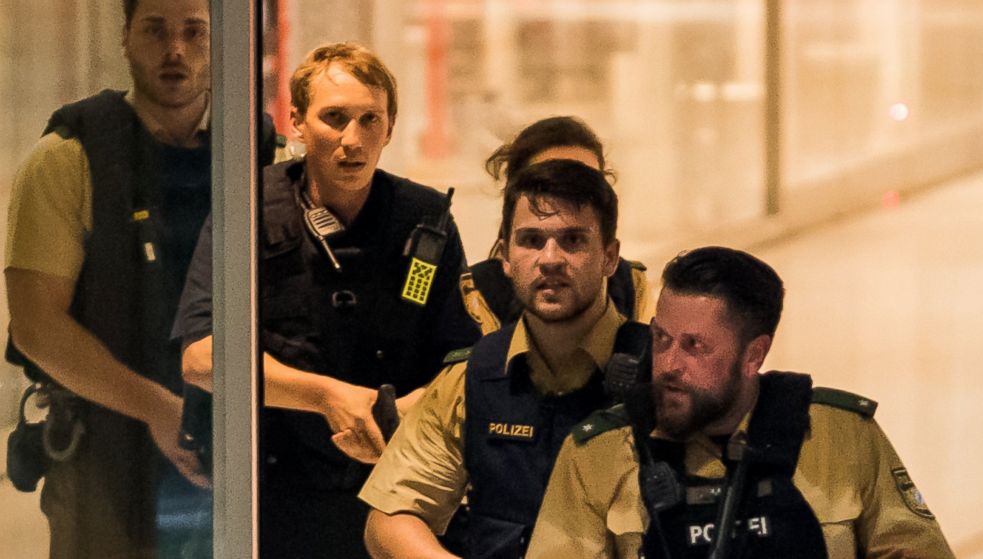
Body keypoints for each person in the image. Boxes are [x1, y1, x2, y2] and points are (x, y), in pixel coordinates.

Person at [175, 42, 480, 559]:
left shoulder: (425, 222)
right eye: (333, 118)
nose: (351, 140)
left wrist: (399, 415)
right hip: (271, 499)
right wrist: (327, 397)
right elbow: (200, 359)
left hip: (397, 493)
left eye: (369, 119)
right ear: (295, 120)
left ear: (390, 126)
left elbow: (469, 363)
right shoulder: (246, 207)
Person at [525, 246, 955, 559]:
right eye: (661, 338)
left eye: (695, 346)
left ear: (754, 355)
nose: (669, 364)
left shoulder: (841, 439)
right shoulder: (598, 456)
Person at [3, 0, 242, 557]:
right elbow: (35, 326)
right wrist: (159, 408)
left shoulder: (258, 153)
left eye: (194, 32)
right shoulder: (67, 159)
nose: (175, 49)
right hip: (104, 456)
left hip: (238, 460)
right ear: (125, 40)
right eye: (155, 31)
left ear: (220, 41)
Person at [360, 159, 648, 559]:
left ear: (610, 257)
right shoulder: (472, 377)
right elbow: (391, 517)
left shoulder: (661, 374)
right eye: (531, 240)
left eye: (573, 240)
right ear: (506, 257)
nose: (550, 259)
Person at [460, 116, 651, 335]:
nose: (563, 195)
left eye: (585, 182)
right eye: (546, 180)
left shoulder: (630, 284)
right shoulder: (477, 293)